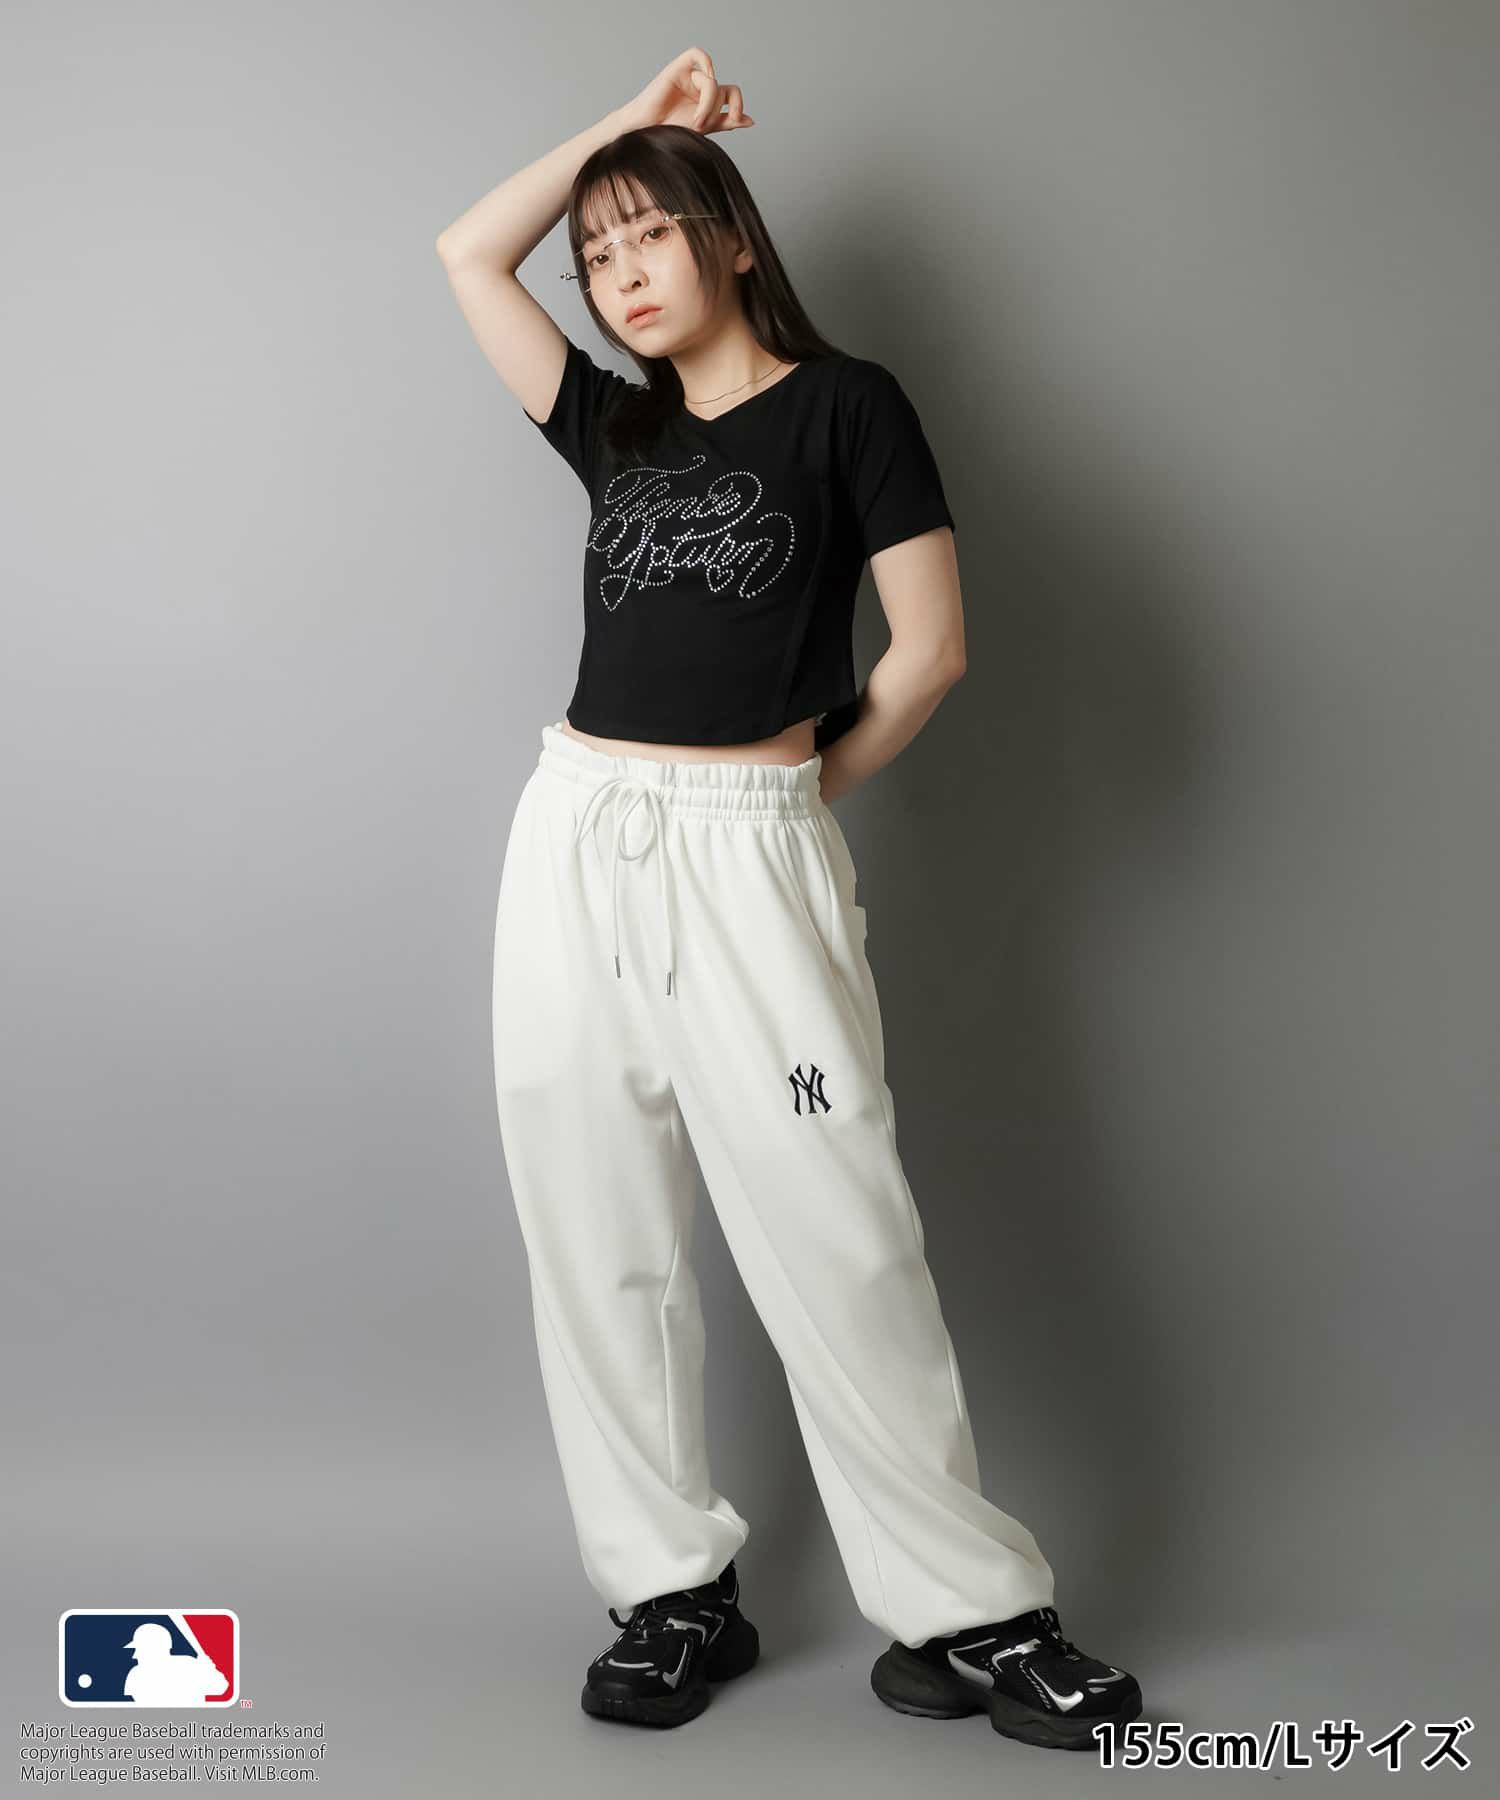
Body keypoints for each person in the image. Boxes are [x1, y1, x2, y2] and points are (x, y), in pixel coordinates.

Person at [438, 45, 1143, 1752]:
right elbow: (467, 251)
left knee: (839, 1227)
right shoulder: (612, 425)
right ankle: (672, 1591)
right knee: (595, 1225)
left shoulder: (849, 408)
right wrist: (628, 130)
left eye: (649, 234)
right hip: (576, 833)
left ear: (734, 240)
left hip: (749, 851)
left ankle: (969, 1613)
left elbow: (931, 651)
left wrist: (786, 800)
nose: (617, 271)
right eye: (598, 254)